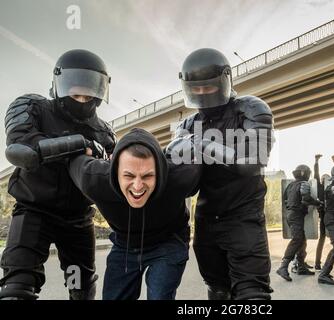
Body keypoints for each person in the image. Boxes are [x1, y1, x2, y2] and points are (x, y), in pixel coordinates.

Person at [0, 49, 115, 300]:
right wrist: (79, 144)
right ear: (59, 83)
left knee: (81, 288)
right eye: (76, 91)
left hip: (77, 219)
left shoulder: (105, 133)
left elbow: (113, 179)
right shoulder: (33, 108)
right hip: (34, 210)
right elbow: (23, 151)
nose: (83, 99)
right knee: (16, 288)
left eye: (89, 92)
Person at [175, 48, 275, 300]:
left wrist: (198, 144)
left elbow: (251, 162)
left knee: (253, 295)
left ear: (224, 81)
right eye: (195, 89)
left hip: (244, 218)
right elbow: (182, 184)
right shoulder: (186, 124)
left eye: (207, 88)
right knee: (218, 290)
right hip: (207, 220)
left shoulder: (250, 109)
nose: (201, 94)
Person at [67, 128, 201, 299]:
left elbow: (198, 159)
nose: (137, 187)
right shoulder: (94, 179)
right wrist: (83, 148)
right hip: (125, 244)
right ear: (115, 172)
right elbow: (73, 160)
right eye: (129, 176)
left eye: (147, 176)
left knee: (159, 296)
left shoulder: (178, 177)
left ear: (160, 172)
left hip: (168, 240)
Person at [276, 164, 322, 281]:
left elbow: (285, 198)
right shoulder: (304, 184)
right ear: (305, 173)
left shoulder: (291, 185)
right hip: (296, 215)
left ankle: (301, 267)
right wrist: (318, 203)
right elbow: (306, 198)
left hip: (291, 214)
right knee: (297, 239)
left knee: (302, 239)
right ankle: (283, 266)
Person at [313, 154, 328, 271]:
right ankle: (317, 263)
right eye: (324, 178)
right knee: (322, 239)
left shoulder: (333, 187)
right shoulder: (319, 187)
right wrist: (316, 162)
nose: (325, 179)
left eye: (327, 178)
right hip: (324, 216)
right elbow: (316, 175)